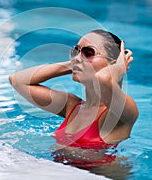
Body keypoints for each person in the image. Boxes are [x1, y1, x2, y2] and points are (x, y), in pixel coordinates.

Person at [9, 29, 139, 174]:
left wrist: (118, 68)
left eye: (88, 53)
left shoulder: (119, 113)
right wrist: (73, 64)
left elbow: (103, 79)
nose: (77, 57)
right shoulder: (72, 106)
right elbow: (17, 80)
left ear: (114, 63)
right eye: (76, 51)